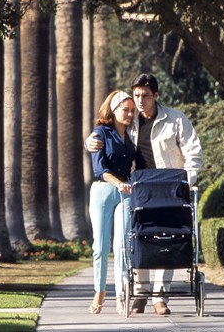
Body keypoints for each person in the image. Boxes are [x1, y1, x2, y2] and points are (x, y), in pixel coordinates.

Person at [85, 73, 203, 316]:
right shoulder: (131, 120)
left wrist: (186, 182)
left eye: (145, 96)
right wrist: (89, 141)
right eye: (136, 95)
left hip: (170, 188)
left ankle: (160, 297)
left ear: (156, 96)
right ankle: (139, 293)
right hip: (140, 189)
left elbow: (194, 153)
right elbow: (107, 132)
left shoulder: (176, 120)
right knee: (140, 237)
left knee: (166, 238)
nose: (139, 101)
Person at [88, 90, 136, 315]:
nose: (129, 114)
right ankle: (99, 291)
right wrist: (118, 184)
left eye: (132, 110)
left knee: (123, 245)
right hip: (104, 191)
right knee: (100, 246)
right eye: (125, 110)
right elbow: (100, 169)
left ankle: (121, 295)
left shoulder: (132, 135)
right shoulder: (100, 134)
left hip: (125, 192)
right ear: (113, 110)